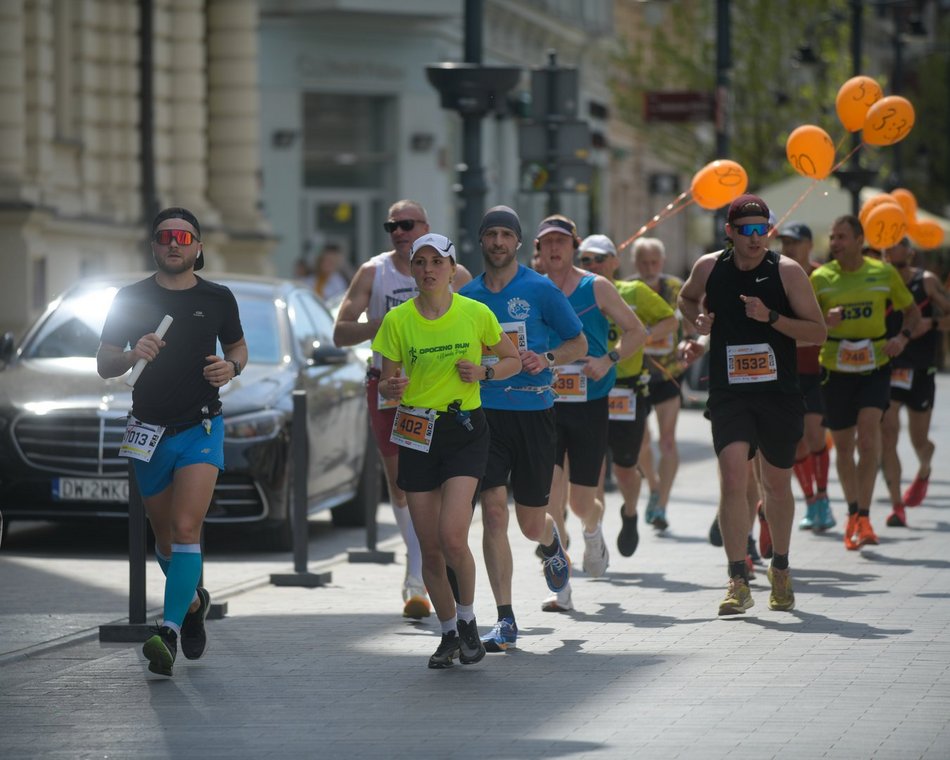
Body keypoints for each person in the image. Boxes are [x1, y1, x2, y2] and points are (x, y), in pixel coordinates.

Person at [97, 207, 247, 676]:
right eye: (165, 237)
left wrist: (232, 367)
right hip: (148, 430)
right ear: (154, 246)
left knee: (186, 529)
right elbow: (104, 364)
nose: (174, 243)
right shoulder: (130, 297)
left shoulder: (218, 298)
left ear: (198, 247)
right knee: (164, 539)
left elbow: (238, 347)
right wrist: (130, 353)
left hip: (201, 428)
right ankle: (194, 604)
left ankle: (169, 631)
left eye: (184, 237)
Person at [372, 232, 521, 669]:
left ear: (452, 268)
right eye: (420, 262)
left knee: (454, 536)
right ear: (413, 269)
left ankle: (470, 619)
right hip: (416, 430)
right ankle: (448, 633)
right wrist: (391, 385)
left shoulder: (475, 313)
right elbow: (386, 381)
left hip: (464, 429)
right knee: (430, 547)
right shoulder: (397, 321)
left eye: (437, 261)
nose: (428, 270)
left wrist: (484, 371)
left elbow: (511, 359)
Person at [679, 194, 826, 616]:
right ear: (729, 233)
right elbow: (688, 299)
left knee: (776, 485)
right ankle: (737, 578)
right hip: (729, 392)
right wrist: (697, 324)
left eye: (763, 228)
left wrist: (772, 319)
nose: (756, 237)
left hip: (778, 392)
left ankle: (780, 567)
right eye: (747, 230)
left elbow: (817, 332)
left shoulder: (788, 272)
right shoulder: (709, 268)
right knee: (731, 478)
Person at [333, 200, 471, 620]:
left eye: (407, 224)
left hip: (443, 391)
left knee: (446, 486)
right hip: (391, 389)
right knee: (401, 485)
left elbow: (479, 323)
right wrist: (390, 324)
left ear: (426, 227)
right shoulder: (374, 272)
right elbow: (340, 332)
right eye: (391, 224)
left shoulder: (455, 273)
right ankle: (416, 576)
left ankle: (437, 561)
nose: (398, 231)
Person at [459, 206, 587, 652]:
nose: (497, 242)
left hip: (534, 414)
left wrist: (547, 359)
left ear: (517, 242)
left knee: (530, 523)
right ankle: (506, 618)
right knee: (493, 513)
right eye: (490, 233)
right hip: (486, 415)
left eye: (505, 235)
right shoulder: (468, 295)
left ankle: (551, 545)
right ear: (481, 241)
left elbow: (579, 341)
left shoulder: (540, 289)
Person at [537, 215, 649, 612]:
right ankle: (561, 586)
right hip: (542, 403)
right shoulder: (529, 288)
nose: (554, 249)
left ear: (574, 247)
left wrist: (609, 359)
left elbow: (637, 331)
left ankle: (592, 531)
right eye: (547, 242)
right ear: (538, 250)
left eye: (561, 243)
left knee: (583, 503)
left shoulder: (595, 286)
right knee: (548, 499)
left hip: (589, 401)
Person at [811, 216, 920, 550]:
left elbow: (911, 312)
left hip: (875, 364)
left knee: (869, 438)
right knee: (843, 447)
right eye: (832, 237)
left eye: (842, 236)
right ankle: (852, 514)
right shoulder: (821, 278)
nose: (835, 243)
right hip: (835, 367)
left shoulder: (883, 273)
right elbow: (804, 323)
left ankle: (866, 516)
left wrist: (901, 338)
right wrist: (823, 322)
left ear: (860, 240)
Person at [576, 234, 677, 555]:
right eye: (586, 260)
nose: (592, 265)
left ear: (615, 262)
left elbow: (670, 321)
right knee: (594, 469)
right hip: (588, 389)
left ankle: (630, 512)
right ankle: (595, 534)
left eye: (599, 258)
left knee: (624, 467)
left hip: (627, 388)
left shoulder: (633, 292)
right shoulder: (575, 293)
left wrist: (641, 334)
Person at [880, 238, 950, 527]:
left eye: (896, 245)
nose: (889, 250)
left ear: (910, 251)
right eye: (885, 246)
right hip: (891, 365)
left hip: (921, 369)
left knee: (919, 440)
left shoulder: (928, 281)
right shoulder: (878, 280)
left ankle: (923, 468)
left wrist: (930, 324)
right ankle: (897, 505)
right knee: (888, 434)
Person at [630, 237, 693, 531]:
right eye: (643, 262)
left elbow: (693, 323)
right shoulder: (628, 290)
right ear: (635, 263)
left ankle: (662, 506)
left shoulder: (677, 288)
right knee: (640, 441)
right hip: (637, 373)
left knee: (667, 440)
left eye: (654, 262)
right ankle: (653, 486)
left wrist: (691, 344)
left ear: (663, 262)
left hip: (669, 371)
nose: (649, 267)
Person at [777, 222, 834, 532]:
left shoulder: (822, 276)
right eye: (784, 241)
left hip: (817, 370)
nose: (788, 247)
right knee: (796, 441)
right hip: (786, 371)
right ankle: (811, 502)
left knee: (814, 434)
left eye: (794, 242)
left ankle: (823, 498)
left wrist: (832, 320)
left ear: (809, 244)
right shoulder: (774, 275)